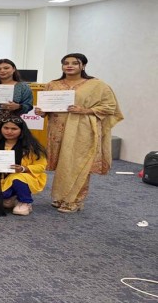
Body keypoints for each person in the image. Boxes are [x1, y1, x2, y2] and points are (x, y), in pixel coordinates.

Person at [35, 53, 123, 213]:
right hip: (57, 130)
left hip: (82, 129)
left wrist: (85, 110)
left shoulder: (97, 85)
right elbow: (46, 108)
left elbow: (110, 106)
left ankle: (74, 200)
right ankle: (61, 197)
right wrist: (41, 112)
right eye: (66, 63)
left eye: (75, 63)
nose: (69, 66)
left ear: (83, 66)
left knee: (78, 163)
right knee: (63, 163)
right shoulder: (52, 85)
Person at [0, 117, 47, 216]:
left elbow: (41, 166)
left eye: (14, 129)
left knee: (17, 178)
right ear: (1, 129)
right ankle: (12, 197)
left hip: (23, 178)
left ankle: (25, 202)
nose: (9, 132)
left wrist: (23, 168)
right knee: (1, 202)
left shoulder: (31, 146)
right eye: (6, 128)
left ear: (22, 130)